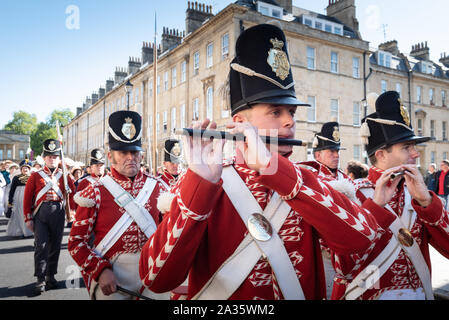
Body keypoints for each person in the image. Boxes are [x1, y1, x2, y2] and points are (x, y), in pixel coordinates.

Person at [139, 24, 394, 300]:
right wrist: (199, 186)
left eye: (292, 112)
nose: (289, 121)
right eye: (275, 111)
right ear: (239, 123)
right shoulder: (204, 182)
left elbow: (362, 238)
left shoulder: (309, 182)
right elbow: (156, 277)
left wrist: (277, 172)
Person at [332, 91, 449, 300]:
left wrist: (427, 202)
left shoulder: (418, 194)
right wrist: (375, 208)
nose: (415, 153)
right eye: (406, 147)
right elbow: (344, 267)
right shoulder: (350, 194)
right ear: (381, 154)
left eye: (413, 146)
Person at [68, 110, 169, 300]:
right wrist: (100, 271)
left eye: (134, 152)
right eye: (123, 152)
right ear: (110, 156)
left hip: (154, 271)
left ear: (141, 155)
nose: (130, 157)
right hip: (113, 274)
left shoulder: (159, 187)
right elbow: (76, 243)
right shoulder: (95, 192)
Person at [23, 139, 76, 294]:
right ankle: (40, 278)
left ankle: (50, 276)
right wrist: (27, 217)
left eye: (54, 156)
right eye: (49, 157)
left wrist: (71, 210)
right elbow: (27, 198)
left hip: (59, 212)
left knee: (55, 246)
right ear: (44, 158)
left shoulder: (64, 175)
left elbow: (72, 194)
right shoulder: (35, 176)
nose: (52, 159)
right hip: (41, 213)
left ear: (59, 159)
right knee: (41, 246)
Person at [6, 160, 34, 237]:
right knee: (19, 214)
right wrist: (10, 201)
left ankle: (30, 231)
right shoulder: (16, 178)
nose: (25, 169)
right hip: (18, 198)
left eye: (27, 168)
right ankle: (20, 231)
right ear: (21, 169)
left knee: (30, 214)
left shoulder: (33, 177)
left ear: (29, 169)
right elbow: (12, 190)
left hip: (30, 197)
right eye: (23, 168)